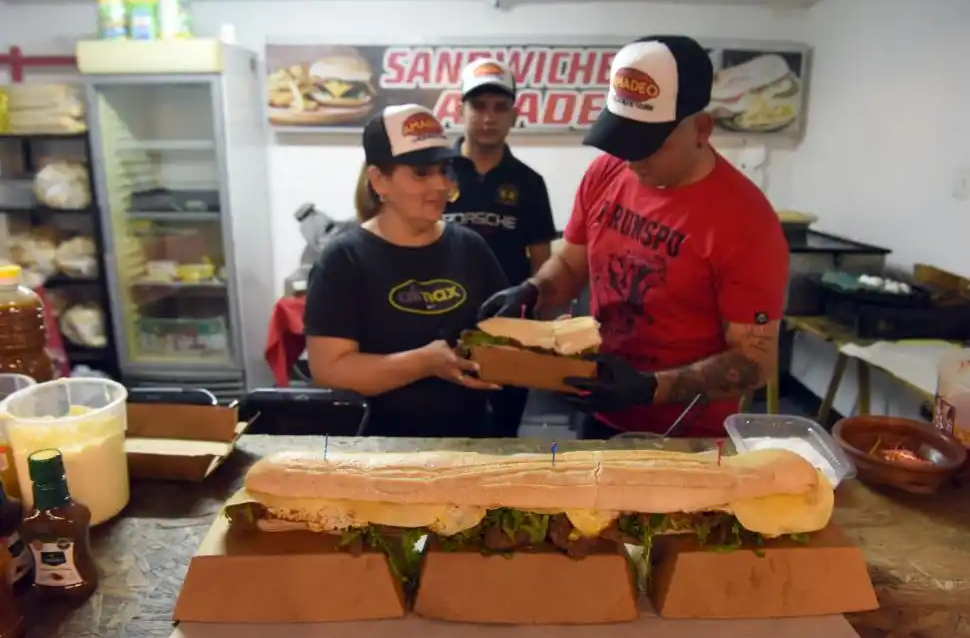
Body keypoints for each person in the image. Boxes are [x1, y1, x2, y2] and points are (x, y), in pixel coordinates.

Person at [480, 36, 789, 439]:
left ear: (701, 129)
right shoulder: (606, 172)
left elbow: (755, 362)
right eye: (623, 140)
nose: (633, 160)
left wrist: (648, 388)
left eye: (650, 145)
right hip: (599, 406)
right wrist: (535, 289)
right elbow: (573, 262)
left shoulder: (747, 223)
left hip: (684, 434)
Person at [304, 104, 509, 437]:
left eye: (444, 170)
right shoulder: (344, 259)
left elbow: (500, 333)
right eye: (421, 173)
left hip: (470, 442)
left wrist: (542, 339)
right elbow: (329, 369)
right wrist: (424, 362)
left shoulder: (470, 247)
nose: (440, 185)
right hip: (379, 451)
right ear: (379, 181)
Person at [445, 58, 558, 438]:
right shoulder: (434, 173)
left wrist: (538, 332)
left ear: (514, 114)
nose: (488, 117)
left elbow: (542, 264)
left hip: (508, 334)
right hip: (440, 327)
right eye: (478, 106)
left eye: (500, 107)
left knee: (502, 437)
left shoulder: (529, 182)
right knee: (441, 436)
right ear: (459, 109)